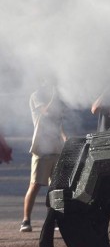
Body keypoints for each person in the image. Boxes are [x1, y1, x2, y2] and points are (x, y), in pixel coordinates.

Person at [21, 81, 67, 232]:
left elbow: (59, 122)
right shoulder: (36, 96)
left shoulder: (57, 100)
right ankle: (26, 220)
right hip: (41, 147)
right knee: (35, 184)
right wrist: (55, 94)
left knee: (56, 187)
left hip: (56, 147)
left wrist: (64, 137)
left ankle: (53, 219)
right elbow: (46, 112)